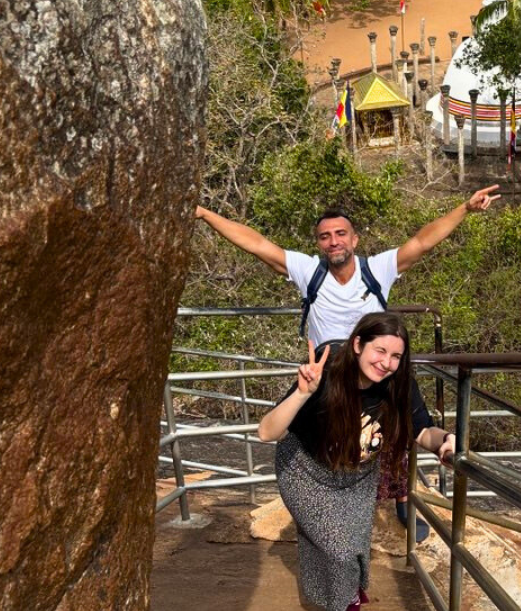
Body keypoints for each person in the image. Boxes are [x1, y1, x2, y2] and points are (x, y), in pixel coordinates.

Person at [195, 187, 499, 534]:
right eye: (325, 237)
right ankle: (333, 496)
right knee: (336, 433)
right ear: (318, 244)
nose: (333, 241)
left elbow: (422, 242)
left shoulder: (376, 268)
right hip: (332, 371)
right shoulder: (309, 271)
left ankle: (403, 497)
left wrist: (465, 208)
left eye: (340, 234)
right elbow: (256, 243)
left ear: (355, 238)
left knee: (399, 417)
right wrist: (205, 214)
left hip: (377, 366)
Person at [257, 314, 455, 611]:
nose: (387, 363)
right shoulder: (328, 372)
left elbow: (422, 432)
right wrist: (303, 393)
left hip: (357, 475)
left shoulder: (399, 384)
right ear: (358, 344)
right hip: (305, 469)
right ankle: (345, 608)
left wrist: (446, 441)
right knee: (339, 549)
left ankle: (351, 589)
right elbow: (267, 432)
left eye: (395, 356)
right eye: (380, 351)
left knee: (356, 543)